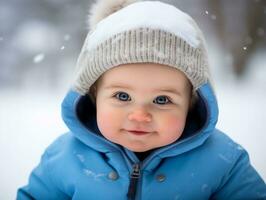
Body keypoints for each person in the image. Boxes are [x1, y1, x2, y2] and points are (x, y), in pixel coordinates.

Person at [17, 0, 266, 199]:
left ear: (192, 102)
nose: (139, 115)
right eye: (122, 96)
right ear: (93, 95)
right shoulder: (64, 159)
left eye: (161, 100)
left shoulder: (223, 161)